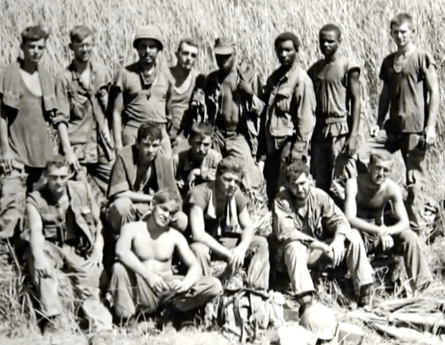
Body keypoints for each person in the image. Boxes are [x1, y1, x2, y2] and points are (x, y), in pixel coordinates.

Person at [356, 13, 439, 235]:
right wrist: (377, 123)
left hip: (415, 130)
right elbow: (385, 96)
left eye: (404, 32)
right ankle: (379, 205)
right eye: (396, 32)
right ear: (391, 33)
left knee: (414, 181)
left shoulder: (422, 57)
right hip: (392, 128)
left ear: (413, 32)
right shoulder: (388, 61)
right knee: (364, 154)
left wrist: (430, 127)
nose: (400, 36)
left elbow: (435, 93)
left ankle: (417, 230)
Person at [26, 156, 112, 341]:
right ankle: (53, 320)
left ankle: (100, 330)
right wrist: (39, 256)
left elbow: (100, 224)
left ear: (70, 174)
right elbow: (35, 232)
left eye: (63, 177)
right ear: (46, 176)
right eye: (53, 177)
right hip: (52, 246)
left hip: (76, 247)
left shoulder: (82, 190)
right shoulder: (35, 199)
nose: (58, 182)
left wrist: (98, 247)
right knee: (42, 266)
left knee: (90, 281)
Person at [273, 161, 374, 310]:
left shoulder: (319, 196)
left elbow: (341, 221)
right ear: (288, 184)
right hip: (295, 256)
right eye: (294, 185)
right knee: (293, 246)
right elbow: (288, 234)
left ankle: (364, 292)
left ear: (310, 180)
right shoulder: (282, 201)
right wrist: (322, 245)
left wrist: (338, 240)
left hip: (318, 251)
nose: (300, 189)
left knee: (353, 235)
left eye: (303, 183)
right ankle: (306, 300)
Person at [110, 188, 223, 320]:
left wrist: (185, 284)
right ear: (152, 205)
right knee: (118, 268)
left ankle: (173, 314)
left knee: (214, 285)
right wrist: (148, 276)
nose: (166, 215)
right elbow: (121, 251)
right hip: (142, 288)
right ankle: (128, 319)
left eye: (172, 213)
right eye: (164, 209)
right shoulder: (132, 228)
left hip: (167, 289)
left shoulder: (175, 236)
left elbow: (195, 266)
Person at [0, 26, 56, 255]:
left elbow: (51, 118)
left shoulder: (46, 77)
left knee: (37, 208)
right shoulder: (9, 74)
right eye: (31, 47)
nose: (35, 51)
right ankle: (4, 260)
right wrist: (5, 150)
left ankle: (28, 256)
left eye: (40, 47)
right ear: (22, 47)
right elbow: (2, 116)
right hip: (15, 151)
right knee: (11, 206)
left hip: (41, 155)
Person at [344, 151, 432, 291]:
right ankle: (363, 289)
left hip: (381, 236)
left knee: (410, 237)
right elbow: (350, 218)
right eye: (378, 168)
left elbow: (404, 222)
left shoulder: (391, 188)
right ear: (369, 167)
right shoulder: (354, 184)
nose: (381, 174)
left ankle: (422, 287)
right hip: (361, 236)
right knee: (353, 235)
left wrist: (388, 231)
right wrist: (379, 230)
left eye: (386, 170)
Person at [187, 157, 270, 291]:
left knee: (260, 243)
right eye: (227, 179)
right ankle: (208, 290)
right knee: (199, 250)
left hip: (220, 240)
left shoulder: (234, 193)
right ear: (216, 176)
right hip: (199, 243)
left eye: (237, 181)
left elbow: (248, 226)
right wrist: (228, 253)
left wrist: (241, 248)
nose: (232, 184)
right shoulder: (200, 193)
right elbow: (198, 234)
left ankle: (256, 290)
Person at [200, 37, 264, 195]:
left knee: (249, 176)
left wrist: (249, 93)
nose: (222, 60)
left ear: (235, 54)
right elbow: (206, 110)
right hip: (217, 134)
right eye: (218, 57)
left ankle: (253, 207)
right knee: (210, 173)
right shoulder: (212, 79)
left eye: (226, 56)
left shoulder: (247, 77)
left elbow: (262, 109)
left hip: (238, 135)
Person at [55, 26, 114, 194]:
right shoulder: (64, 79)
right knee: (79, 194)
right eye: (80, 45)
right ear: (71, 47)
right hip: (76, 147)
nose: (85, 49)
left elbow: (113, 111)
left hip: (102, 146)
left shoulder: (102, 73)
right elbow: (61, 119)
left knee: (117, 186)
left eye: (88, 44)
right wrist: (67, 151)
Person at [261, 32, 316, 201]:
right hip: (273, 145)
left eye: (288, 50)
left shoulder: (301, 80)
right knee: (272, 188)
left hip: (290, 144)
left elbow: (306, 119)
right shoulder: (275, 78)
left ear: (297, 51)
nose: (283, 54)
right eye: (280, 51)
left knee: (287, 188)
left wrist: (298, 149)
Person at [308, 24, 361, 196]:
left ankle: (347, 219)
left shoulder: (348, 66)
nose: (326, 45)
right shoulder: (315, 70)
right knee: (320, 179)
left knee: (341, 179)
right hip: (319, 131)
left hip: (340, 129)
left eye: (330, 41)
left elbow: (356, 101)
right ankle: (325, 219)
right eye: (322, 41)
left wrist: (353, 136)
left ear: (339, 41)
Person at [106, 123, 187, 235]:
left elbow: (173, 195)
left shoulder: (162, 160)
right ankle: (122, 241)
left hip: (150, 208)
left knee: (181, 219)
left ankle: (160, 245)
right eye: (146, 145)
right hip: (130, 206)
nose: (150, 150)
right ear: (137, 143)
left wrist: (161, 205)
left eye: (155, 145)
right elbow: (119, 194)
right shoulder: (124, 156)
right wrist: (151, 198)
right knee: (122, 206)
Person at [111, 25, 173, 157]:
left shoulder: (166, 75)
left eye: (152, 47)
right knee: (132, 171)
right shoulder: (125, 74)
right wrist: (117, 144)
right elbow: (116, 112)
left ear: (158, 49)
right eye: (143, 46)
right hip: (134, 131)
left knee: (166, 170)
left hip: (159, 132)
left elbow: (169, 111)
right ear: (137, 49)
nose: (147, 51)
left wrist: (166, 134)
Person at [168, 38, 204, 151]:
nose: (189, 58)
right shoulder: (164, 75)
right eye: (185, 53)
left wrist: (183, 136)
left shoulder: (199, 79)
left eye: (193, 55)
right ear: (176, 54)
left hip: (184, 136)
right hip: (162, 132)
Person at [172, 122, 222, 199]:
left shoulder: (215, 158)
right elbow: (167, 185)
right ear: (190, 141)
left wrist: (198, 172)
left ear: (211, 143)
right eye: (198, 143)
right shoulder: (178, 160)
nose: (201, 149)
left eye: (206, 145)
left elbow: (223, 182)